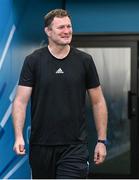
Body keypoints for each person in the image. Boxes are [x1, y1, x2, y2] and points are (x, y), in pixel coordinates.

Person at [12, 9, 108, 179]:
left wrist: (101, 141)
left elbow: (98, 101)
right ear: (48, 31)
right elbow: (20, 101)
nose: (67, 31)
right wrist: (19, 136)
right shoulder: (33, 61)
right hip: (41, 146)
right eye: (61, 27)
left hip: (75, 147)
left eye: (69, 26)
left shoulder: (84, 61)